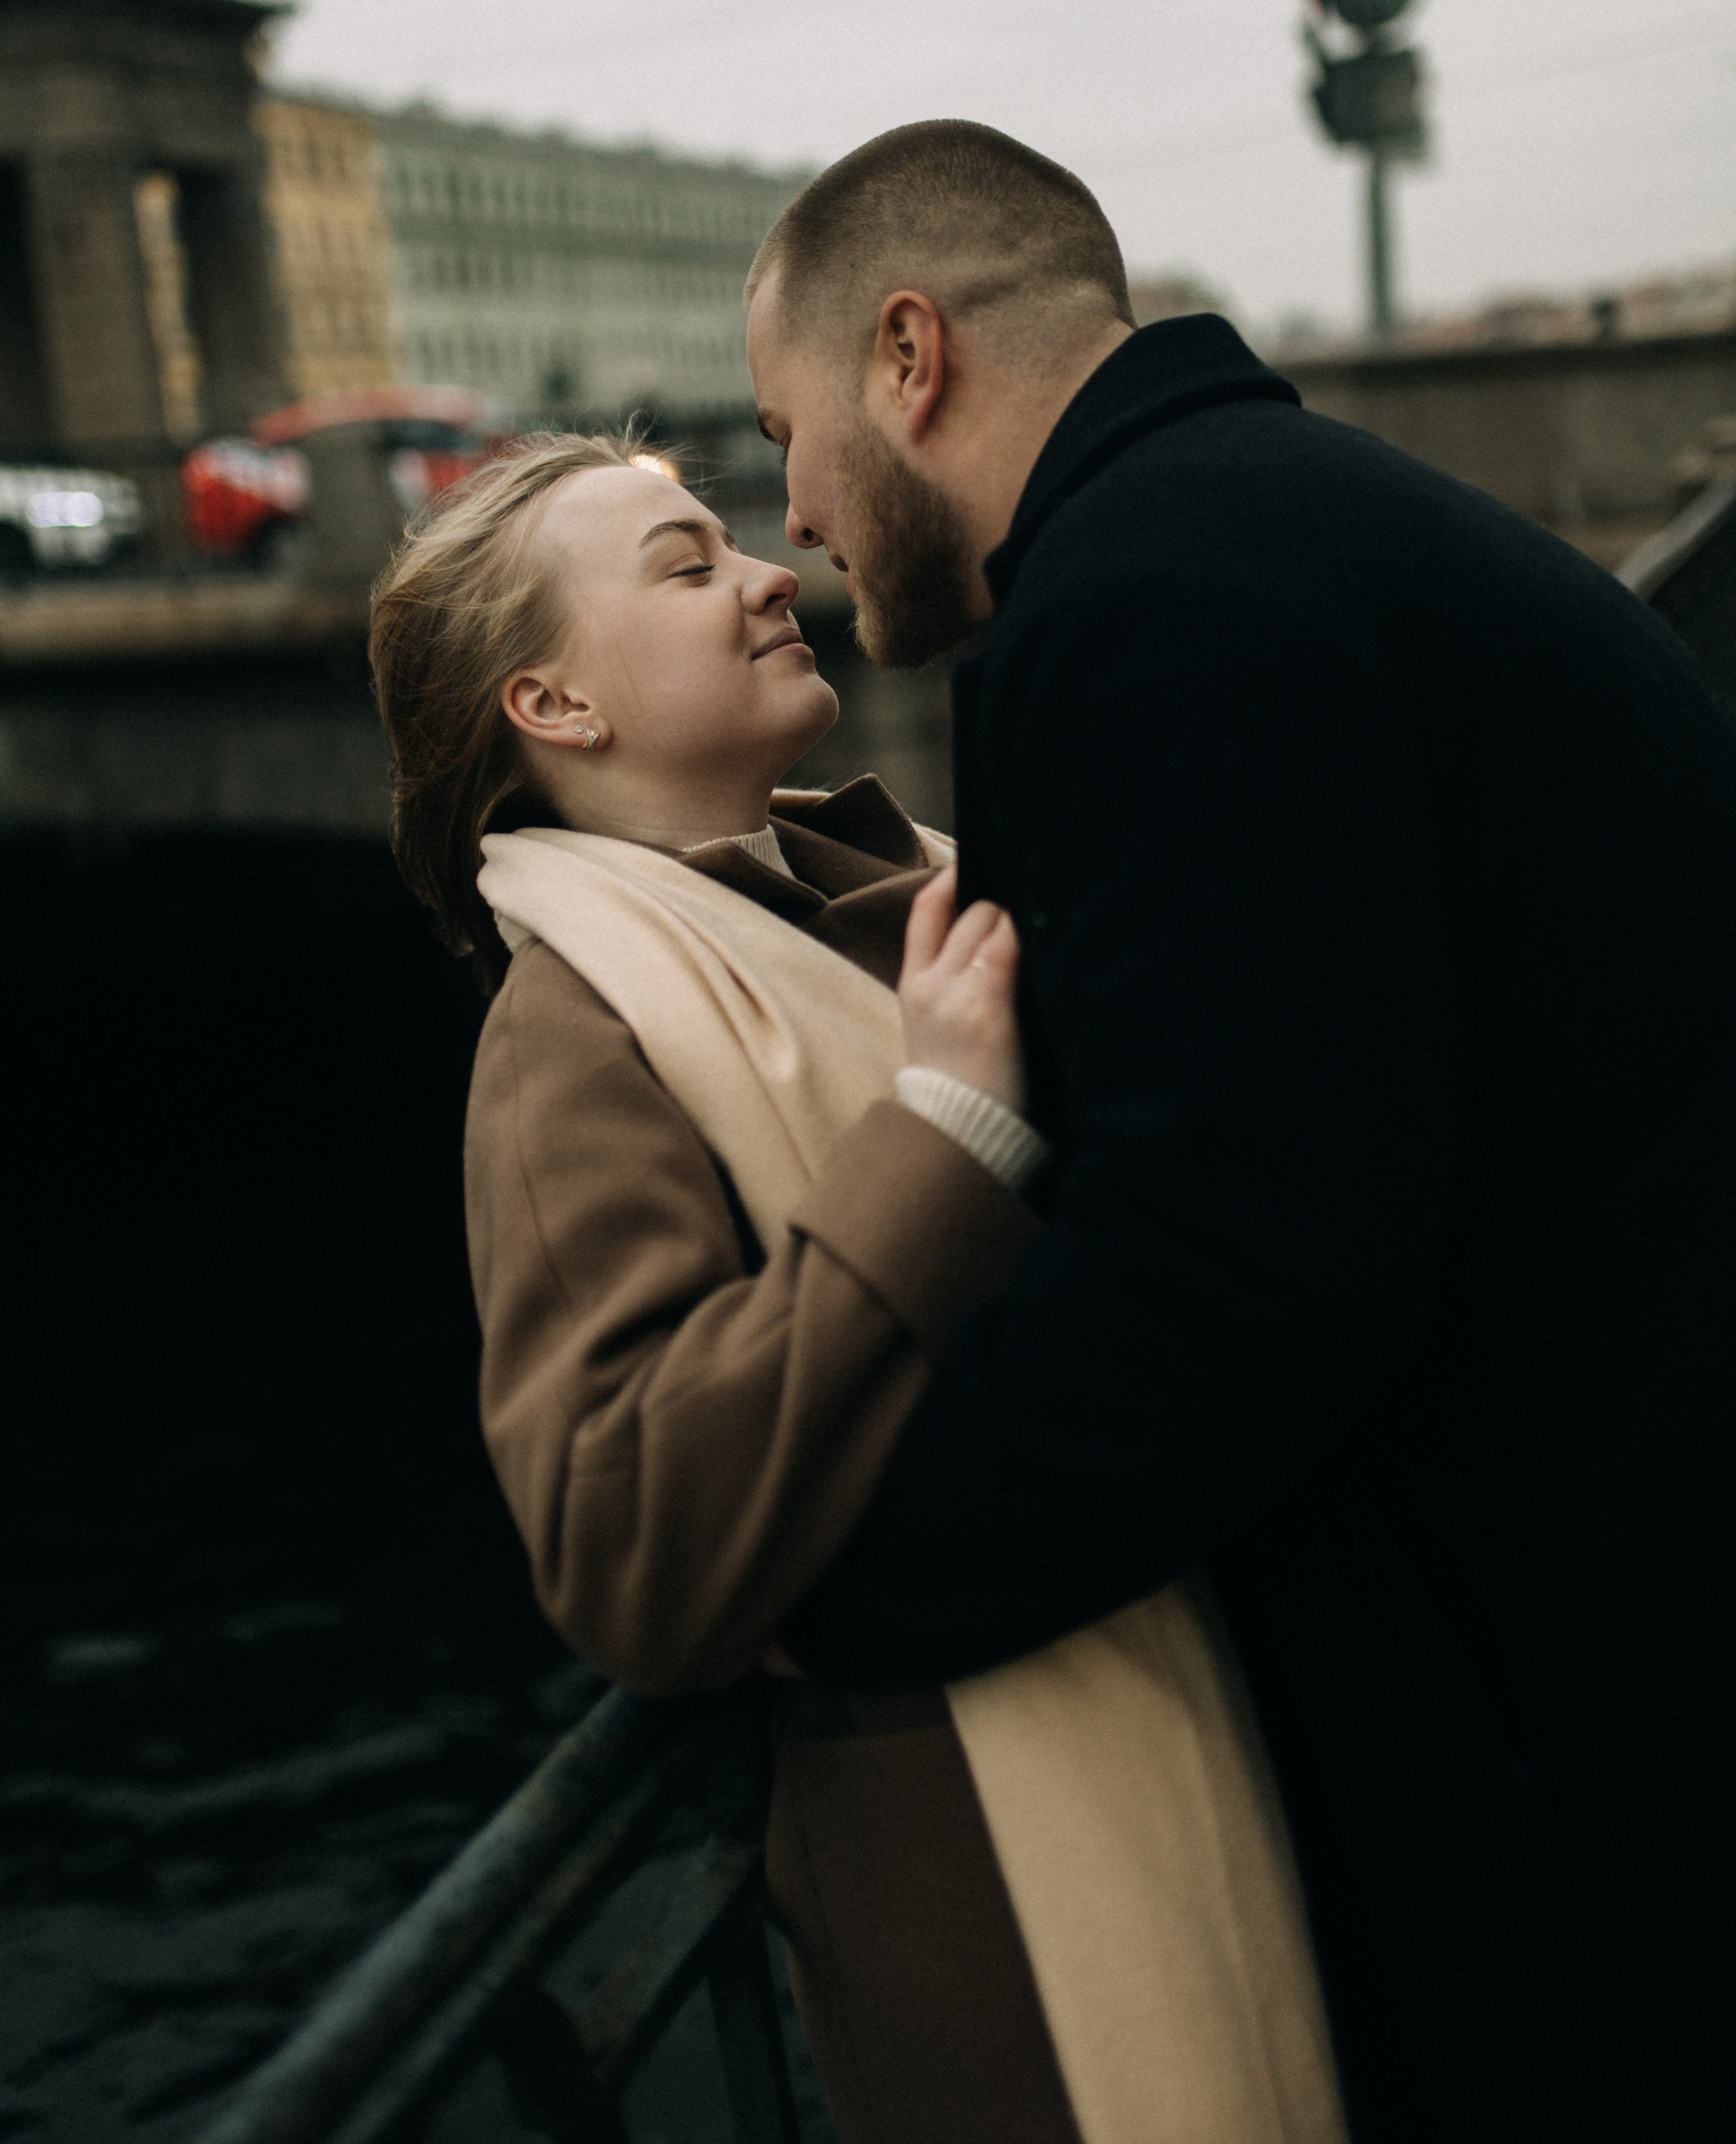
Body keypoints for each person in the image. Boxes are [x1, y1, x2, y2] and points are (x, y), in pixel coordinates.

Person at [743, 118, 1736, 2143]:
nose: (794, 516)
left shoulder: (1147, 606)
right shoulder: (1278, 520)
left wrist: (831, 1595)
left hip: (1594, 1771)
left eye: (786, 433)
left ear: (908, 357)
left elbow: (1234, 1274)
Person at [368, 434, 1348, 2144]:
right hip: (991, 1878)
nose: (767, 573)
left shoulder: (880, 894)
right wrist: (948, 1133)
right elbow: (623, 1540)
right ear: (558, 708)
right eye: (685, 566)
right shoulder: (567, 1040)